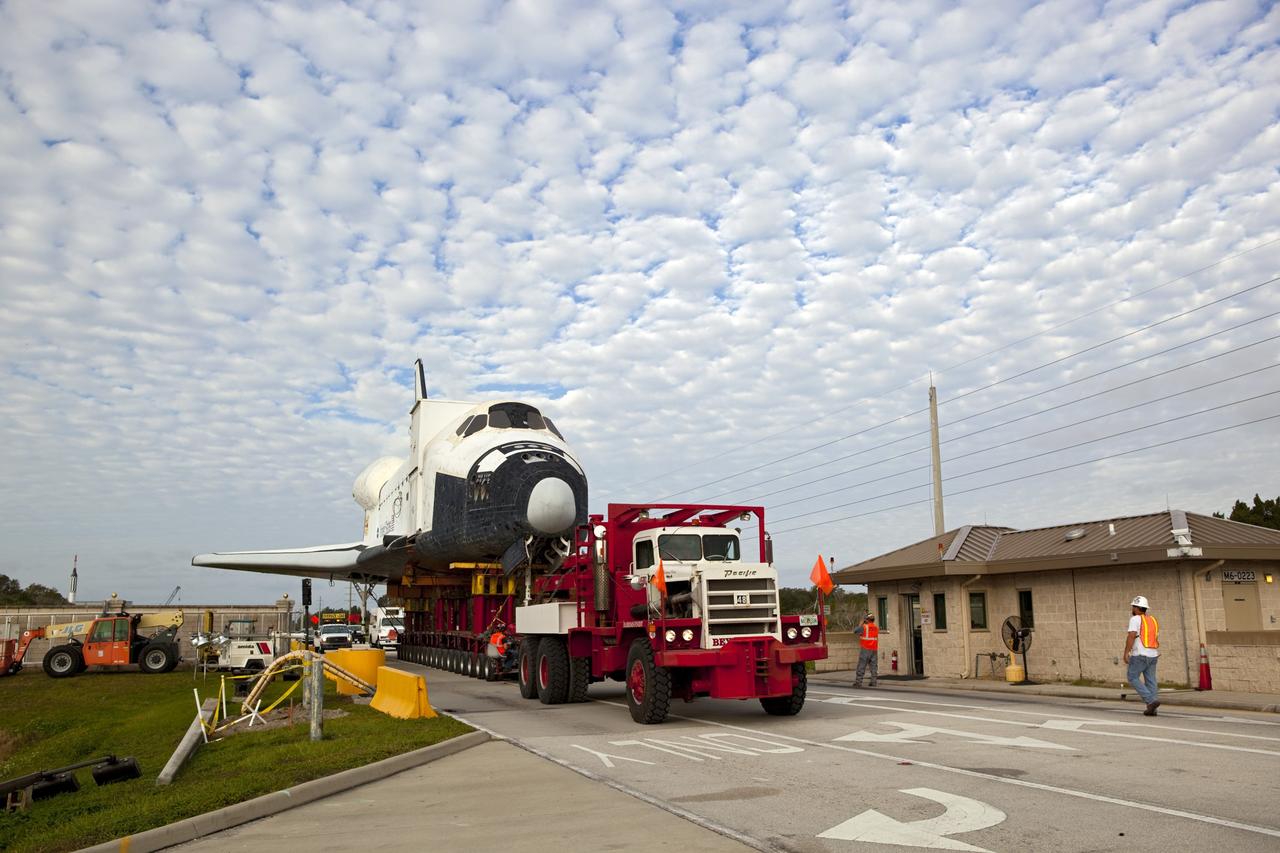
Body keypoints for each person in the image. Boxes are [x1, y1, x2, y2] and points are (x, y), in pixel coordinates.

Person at [1124, 595, 1160, 716]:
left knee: (1132, 677)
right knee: (1151, 681)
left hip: (1140, 654)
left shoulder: (1135, 619)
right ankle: (1152, 709)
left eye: (1133, 606)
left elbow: (1131, 636)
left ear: (1136, 607)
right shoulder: (1153, 620)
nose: (1132, 608)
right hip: (1153, 654)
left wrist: (1126, 652)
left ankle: (1151, 701)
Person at [853, 614, 879, 687]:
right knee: (874, 666)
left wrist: (861, 623)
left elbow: (855, 631)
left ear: (866, 620)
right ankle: (873, 682)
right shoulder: (876, 627)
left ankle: (858, 682)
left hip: (865, 649)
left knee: (861, 666)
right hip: (874, 649)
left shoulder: (864, 627)